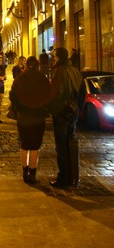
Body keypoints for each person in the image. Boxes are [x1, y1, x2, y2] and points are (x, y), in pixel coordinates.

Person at [9, 56, 52, 184]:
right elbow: (49, 95)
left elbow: (12, 95)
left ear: (26, 65)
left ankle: (24, 172)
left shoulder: (20, 78)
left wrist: (19, 108)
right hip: (38, 117)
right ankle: (33, 174)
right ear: (38, 65)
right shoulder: (42, 78)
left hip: (23, 116)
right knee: (35, 146)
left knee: (25, 144)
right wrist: (43, 109)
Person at [49, 47, 86, 189]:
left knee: (61, 146)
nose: (53, 58)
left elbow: (57, 92)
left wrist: (53, 109)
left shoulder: (59, 71)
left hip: (62, 112)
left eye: (54, 55)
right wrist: (77, 108)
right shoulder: (76, 71)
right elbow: (82, 94)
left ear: (58, 57)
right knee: (70, 143)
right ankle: (72, 176)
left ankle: (63, 178)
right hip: (73, 111)